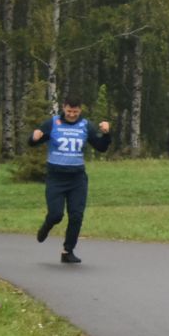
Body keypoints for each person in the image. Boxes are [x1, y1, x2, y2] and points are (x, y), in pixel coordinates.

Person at [30, 95, 113, 264]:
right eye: (69, 111)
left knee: (76, 216)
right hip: (56, 177)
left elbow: (101, 147)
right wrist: (34, 137)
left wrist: (106, 134)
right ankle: (46, 226)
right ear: (63, 108)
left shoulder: (85, 126)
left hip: (77, 178)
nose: (72, 115)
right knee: (56, 215)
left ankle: (68, 251)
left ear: (80, 110)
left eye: (75, 111)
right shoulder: (52, 123)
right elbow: (33, 142)